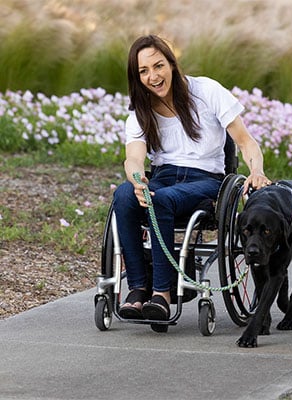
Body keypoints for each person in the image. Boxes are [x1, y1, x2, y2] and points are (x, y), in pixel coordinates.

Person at [113, 34, 271, 324]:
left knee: (161, 201)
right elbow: (134, 158)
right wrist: (137, 180)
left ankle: (162, 294)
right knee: (122, 196)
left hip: (207, 180)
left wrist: (256, 171)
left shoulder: (206, 91)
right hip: (163, 176)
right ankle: (137, 288)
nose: (153, 76)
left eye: (158, 66)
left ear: (172, 63)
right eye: (143, 71)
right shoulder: (140, 110)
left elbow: (246, 142)